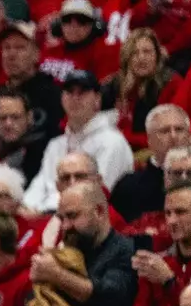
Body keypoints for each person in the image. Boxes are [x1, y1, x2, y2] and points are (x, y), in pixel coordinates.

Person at [21, 70, 133, 214]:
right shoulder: (56, 144)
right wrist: (26, 207)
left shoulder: (112, 142)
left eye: (82, 92)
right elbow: (39, 185)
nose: (75, 98)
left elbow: (95, 194)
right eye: (69, 92)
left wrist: (42, 212)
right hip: (46, 215)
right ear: (62, 98)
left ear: (97, 99)